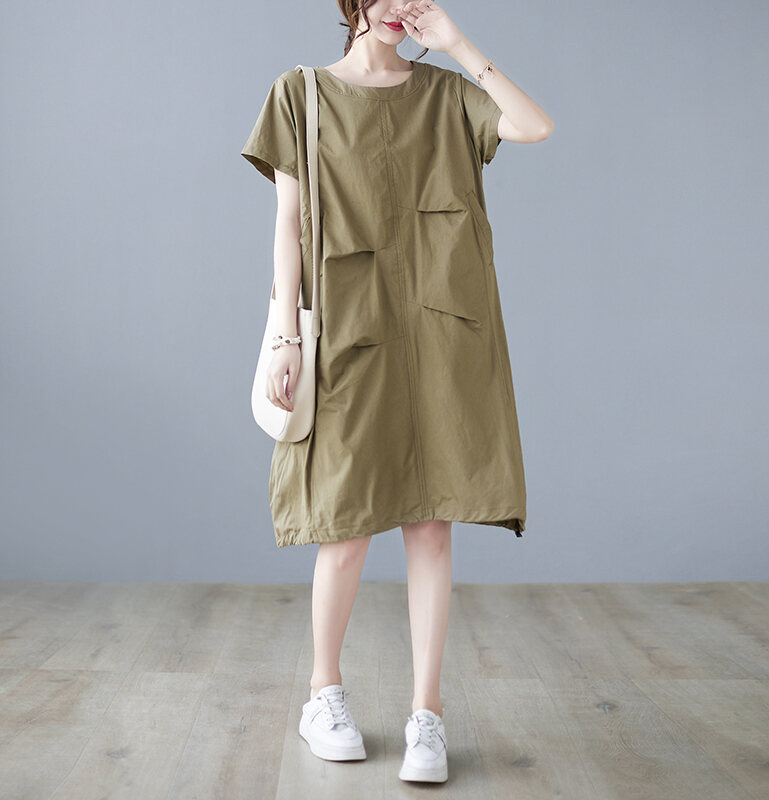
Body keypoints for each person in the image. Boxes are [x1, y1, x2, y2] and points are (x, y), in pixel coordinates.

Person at [240, 0, 553, 784]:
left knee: (431, 524)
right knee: (345, 528)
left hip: (438, 335)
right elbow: (287, 225)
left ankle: (428, 716)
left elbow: (533, 125)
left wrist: (456, 43)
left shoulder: (447, 95)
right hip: (346, 334)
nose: (396, 7)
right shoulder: (300, 93)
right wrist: (284, 336)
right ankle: (324, 694)